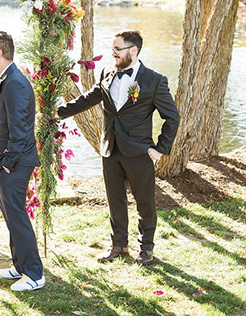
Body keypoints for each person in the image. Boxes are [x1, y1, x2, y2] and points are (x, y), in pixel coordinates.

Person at [57, 30, 180, 266]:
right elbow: (89, 98)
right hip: (110, 149)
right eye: (112, 48)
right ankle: (119, 245)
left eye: (117, 49)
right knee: (115, 200)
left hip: (139, 153)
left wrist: (161, 148)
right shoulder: (107, 73)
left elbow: (172, 117)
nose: (112, 53)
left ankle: (146, 248)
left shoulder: (154, 81)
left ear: (133, 51)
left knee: (145, 202)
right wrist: (59, 112)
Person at [0, 31, 45, 292]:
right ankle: (19, 266)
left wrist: (6, 163)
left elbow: (20, 129)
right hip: (5, 159)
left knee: (17, 216)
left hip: (14, 162)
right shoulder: (5, 79)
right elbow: (4, 119)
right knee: (11, 214)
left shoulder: (16, 82)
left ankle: (34, 274)